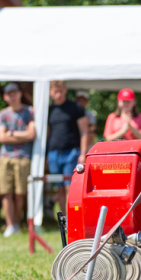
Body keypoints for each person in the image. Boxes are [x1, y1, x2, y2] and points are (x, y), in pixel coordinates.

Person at [0, 83, 35, 237]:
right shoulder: (2, 114)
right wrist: (21, 134)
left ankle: (16, 223)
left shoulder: (30, 111)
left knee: (20, 193)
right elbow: (1, 137)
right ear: (5, 97)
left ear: (20, 94)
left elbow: (31, 134)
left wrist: (11, 133)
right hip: (5, 158)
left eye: (15, 93)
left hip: (23, 158)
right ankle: (9, 225)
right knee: (6, 192)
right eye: (9, 94)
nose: (13, 97)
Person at [47, 80, 89, 216]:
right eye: (55, 91)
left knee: (69, 188)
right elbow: (47, 133)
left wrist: (82, 153)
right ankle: (65, 221)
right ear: (50, 92)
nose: (58, 94)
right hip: (54, 154)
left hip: (71, 152)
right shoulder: (49, 110)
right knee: (59, 189)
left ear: (65, 91)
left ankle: (72, 219)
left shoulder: (75, 107)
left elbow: (84, 131)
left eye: (60, 91)